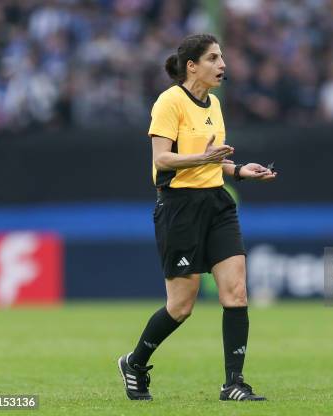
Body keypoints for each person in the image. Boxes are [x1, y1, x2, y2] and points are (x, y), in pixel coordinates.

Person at [117, 33, 276, 402]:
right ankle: (135, 363)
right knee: (181, 306)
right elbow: (162, 159)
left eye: (222, 58)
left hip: (217, 204)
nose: (223, 65)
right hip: (180, 208)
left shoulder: (215, 104)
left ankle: (234, 383)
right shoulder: (169, 102)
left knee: (236, 291)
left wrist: (238, 171)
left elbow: (213, 160)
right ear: (192, 66)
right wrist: (204, 160)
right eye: (214, 58)